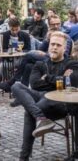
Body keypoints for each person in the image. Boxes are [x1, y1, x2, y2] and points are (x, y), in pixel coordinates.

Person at [11, 32, 75, 160]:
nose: (54, 47)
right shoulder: (41, 64)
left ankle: (24, 157)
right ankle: (40, 117)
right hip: (40, 97)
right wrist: (59, 80)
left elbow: (71, 82)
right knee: (16, 86)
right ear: (48, 46)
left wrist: (47, 78)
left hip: (60, 103)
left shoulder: (71, 64)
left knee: (30, 110)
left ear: (65, 48)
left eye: (58, 45)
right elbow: (34, 84)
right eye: (52, 44)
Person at [0, 15, 72, 92]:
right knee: (28, 65)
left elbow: (65, 55)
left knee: (29, 54)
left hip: (54, 59)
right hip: (44, 58)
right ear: (49, 25)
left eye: (58, 24)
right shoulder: (50, 35)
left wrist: (46, 54)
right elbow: (40, 49)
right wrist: (46, 41)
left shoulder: (65, 38)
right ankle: (22, 90)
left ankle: (11, 82)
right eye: (53, 24)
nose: (56, 26)